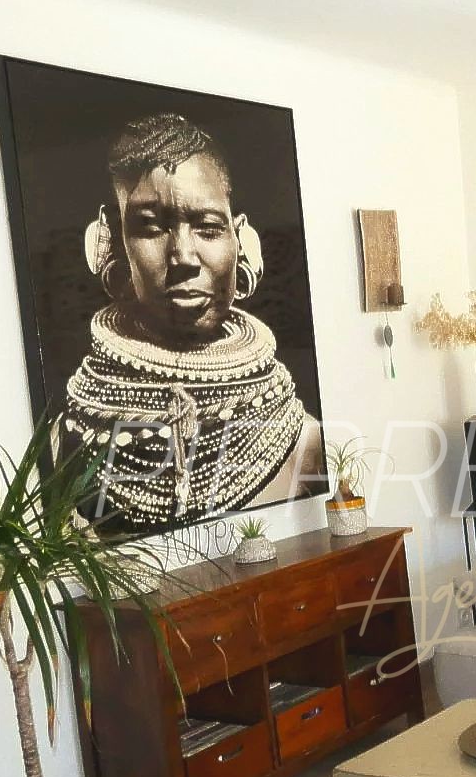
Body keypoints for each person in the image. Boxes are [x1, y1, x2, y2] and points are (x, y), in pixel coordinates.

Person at [61, 112, 322, 526]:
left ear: (240, 239)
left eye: (208, 227)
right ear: (112, 240)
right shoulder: (66, 441)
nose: (183, 256)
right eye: (150, 227)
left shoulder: (304, 442)